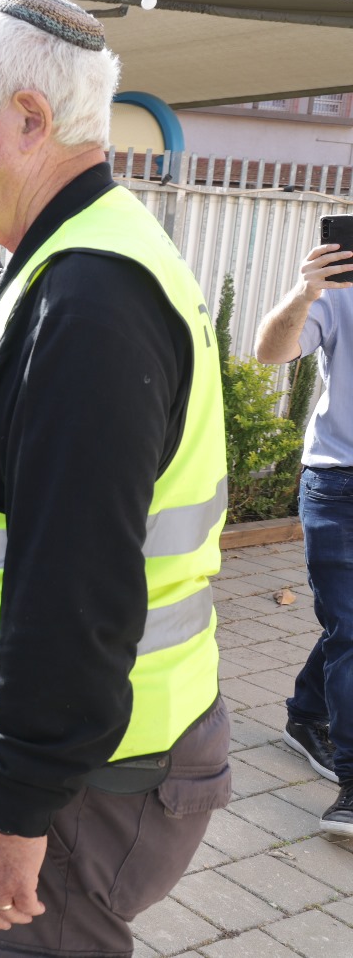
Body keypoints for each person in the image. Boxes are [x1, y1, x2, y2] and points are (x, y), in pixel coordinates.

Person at [0, 0, 231, 957]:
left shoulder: (86, 295)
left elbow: (77, 587)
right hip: (90, 758)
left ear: (32, 121)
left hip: (83, 779)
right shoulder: (79, 254)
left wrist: (15, 810)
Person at [255, 239, 353, 835]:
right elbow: (271, 352)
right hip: (340, 482)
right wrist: (304, 292)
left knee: (348, 626)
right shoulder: (339, 286)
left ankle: (306, 714)